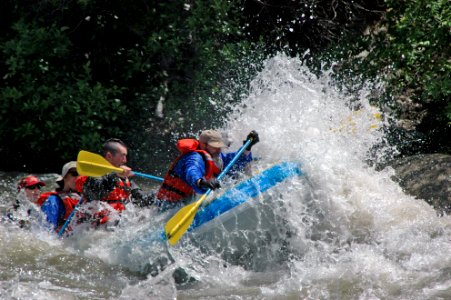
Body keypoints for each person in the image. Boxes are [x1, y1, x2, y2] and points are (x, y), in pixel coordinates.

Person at [156, 129, 259, 204]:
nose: (219, 150)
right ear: (204, 145)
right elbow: (192, 171)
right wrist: (202, 182)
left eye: (219, 146)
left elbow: (233, 162)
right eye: (215, 147)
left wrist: (247, 147)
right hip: (169, 204)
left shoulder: (214, 155)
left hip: (187, 198)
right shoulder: (194, 158)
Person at [76, 138, 154, 225]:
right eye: (122, 155)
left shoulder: (124, 179)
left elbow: (142, 199)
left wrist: (158, 196)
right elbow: (95, 193)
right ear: (109, 156)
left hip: (119, 227)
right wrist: (114, 175)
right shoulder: (91, 176)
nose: (125, 160)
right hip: (96, 230)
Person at [38, 161, 82, 233]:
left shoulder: (84, 200)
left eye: (81, 175)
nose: (78, 178)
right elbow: (46, 233)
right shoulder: (53, 201)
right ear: (65, 176)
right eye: (75, 173)